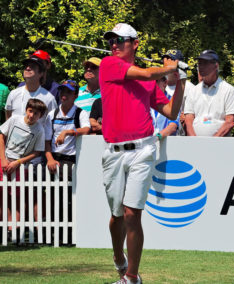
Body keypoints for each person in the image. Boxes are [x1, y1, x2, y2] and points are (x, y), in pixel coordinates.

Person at [100, 23, 186, 284]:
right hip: (114, 151)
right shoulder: (108, 64)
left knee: (131, 213)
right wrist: (171, 67)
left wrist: (180, 82)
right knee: (116, 217)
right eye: (111, 40)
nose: (114, 45)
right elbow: (149, 74)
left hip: (143, 148)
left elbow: (171, 112)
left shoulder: (148, 81)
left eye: (120, 40)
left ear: (135, 43)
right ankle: (118, 256)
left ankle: (132, 277)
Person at [0, 98, 47, 225]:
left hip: (20, 165)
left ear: (40, 115)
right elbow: (1, 137)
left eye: (36, 113)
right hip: (4, 159)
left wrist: (18, 162)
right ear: (26, 110)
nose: (32, 115)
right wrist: (3, 159)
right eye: (30, 111)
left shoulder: (39, 130)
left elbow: (37, 152)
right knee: (2, 194)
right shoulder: (14, 120)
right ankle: (1, 225)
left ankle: (14, 226)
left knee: (17, 197)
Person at [184, 50, 234, 136]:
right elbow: (188, 120)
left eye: (205, 63)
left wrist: (213, 142)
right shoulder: (193, 91)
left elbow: (229, 122)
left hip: (220, 145)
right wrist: (194, 141)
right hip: (195, 145)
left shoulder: (228, 90)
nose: (201, 67)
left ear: (216, 66)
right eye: (199, 63)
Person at [45, 80, 90, 179]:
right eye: (62, 91)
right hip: (53, 158)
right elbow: (47, 142)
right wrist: (50, 159)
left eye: (69, 92)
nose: (64, 94)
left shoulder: (81, 113)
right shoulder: (52, 114)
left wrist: (67, 132)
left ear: (76, 95)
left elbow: (86, 129)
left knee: (68, 192)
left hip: (70, 160)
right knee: (50, 192)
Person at [5, 56, 57, 124]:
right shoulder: (13, 94)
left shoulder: (49, 99)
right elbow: (8, 119)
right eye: (26, 66)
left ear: (41, 73)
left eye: (33, 67)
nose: (28, 68)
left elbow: (53, 124)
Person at [163, 50, 195, 136]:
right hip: (158, 134)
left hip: (179, 137)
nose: (167, 64)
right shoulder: (158, 83)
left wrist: (187, 116)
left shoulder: (190, 88)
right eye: (166, 60)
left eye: (171, 61)